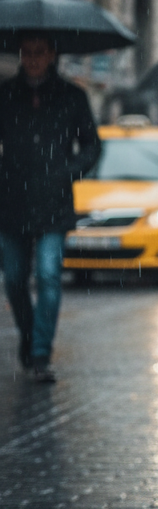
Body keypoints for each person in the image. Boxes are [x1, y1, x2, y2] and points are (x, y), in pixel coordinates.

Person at [0, 35, 101, 382]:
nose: (32, 59)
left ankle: (41, 352)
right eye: (26, 53)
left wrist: (67, 171)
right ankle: (29, 336)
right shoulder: (6, 93)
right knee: (13, 279)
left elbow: (91, 145)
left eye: (39, 52)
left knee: (47, 274)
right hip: (11, 200)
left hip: (53, 202)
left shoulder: (72, 96)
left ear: (52, 55)